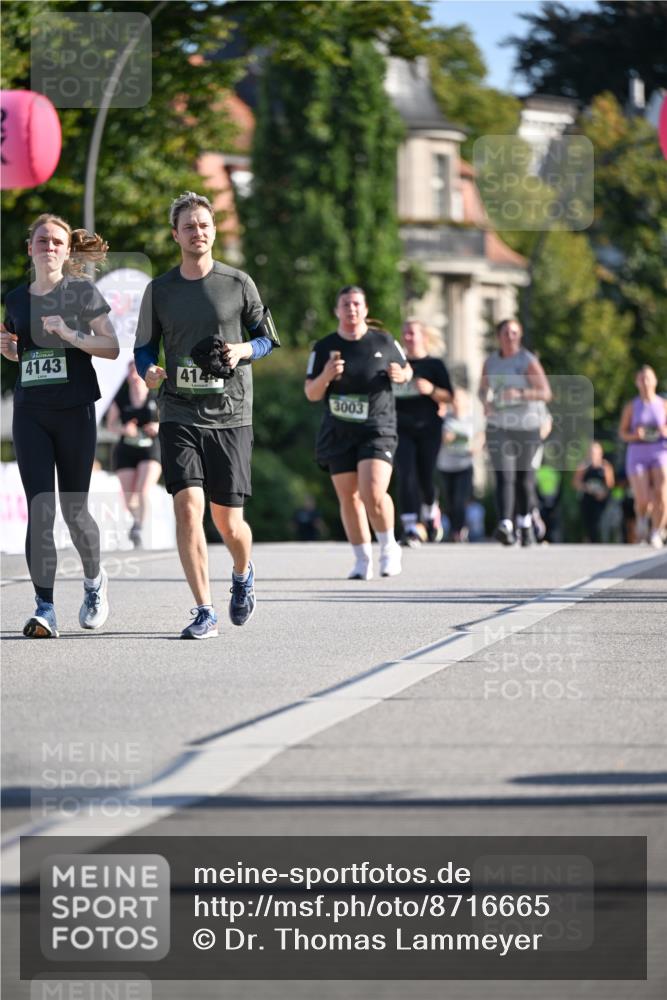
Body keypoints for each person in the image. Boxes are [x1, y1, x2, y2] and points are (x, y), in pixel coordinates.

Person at [133, 191, 279, 638]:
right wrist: (149, 370)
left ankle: (241, 572)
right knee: (187, 508)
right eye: (190, 226)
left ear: (213, 230)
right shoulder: (159, 290)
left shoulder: (238, 283)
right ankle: (203, 610)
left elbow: (268, 339)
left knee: (228, 522)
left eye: (205, 225)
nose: (198, 232)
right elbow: (142, 348)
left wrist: (241, 349)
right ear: (175, 234)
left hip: (231, 413)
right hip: (178, 410)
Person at [0, 213, 119, 637]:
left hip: (74, 410)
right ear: (29, 247)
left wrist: (71, 334)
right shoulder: (15, 300)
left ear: (67, 251)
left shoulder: (81, 293)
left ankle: (94, 582)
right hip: (31, 411)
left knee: (74, 509)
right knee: (40, 507)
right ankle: (44, 607)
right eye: (41, 240)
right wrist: (10, 351)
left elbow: (111, 345)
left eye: (56, 242)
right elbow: (21, 352)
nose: (48, 247)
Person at [304, 285, 411, 580]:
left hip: (377, 427)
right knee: (349, 497)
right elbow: (312, 393)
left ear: (365, 309)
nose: (351, 309)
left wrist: (402, 375)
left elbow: (407, 369)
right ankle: (362, 559)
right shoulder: (323, 347)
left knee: (372, 491)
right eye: (345, 304)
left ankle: (389, 547)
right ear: (337, 311)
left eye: (356, 304)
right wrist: (327, 375)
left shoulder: (384, 340)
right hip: (338, 431)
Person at [479, 318, 552, 547]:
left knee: (524, 479)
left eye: (515, 332)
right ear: (498, 336)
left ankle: (525, 522)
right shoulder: (490, 362)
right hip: (499, 425)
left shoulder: (526, 360)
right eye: (506, 332)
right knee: (504, 475)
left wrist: (519, 394)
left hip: (527, 425)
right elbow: (483, 390)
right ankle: (506, 525)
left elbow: (545, 392)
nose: (510, 336)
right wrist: (486, 403)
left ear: (519, 336)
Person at [393, 319, 452, 545]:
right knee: (406, 474)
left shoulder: (434, 364)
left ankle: (430, 510)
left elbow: (449, 396)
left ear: (423, 337)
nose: (408, 337)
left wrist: (431, 390)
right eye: (405, 333)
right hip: (400, 428)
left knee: (426, 477)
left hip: (428, 428)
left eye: (412, 333)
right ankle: (410, 528)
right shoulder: (396, 364)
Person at [105, 359, 162, 547]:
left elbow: (168, 420)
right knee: (130, 496)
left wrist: (157, 426)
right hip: (126, 449)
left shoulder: (155, 397)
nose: (134, 376)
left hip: (150, 449)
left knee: (142, 490)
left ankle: (139, 527)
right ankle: (136, 521)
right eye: (131, 373)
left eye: (137, 372)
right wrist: (123, 429)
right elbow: (111, 425)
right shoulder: (120, 398)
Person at [619, 365, 667, 549]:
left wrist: (664, 430)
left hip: (660, 450)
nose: (645, 382)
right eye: (641, 379)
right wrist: (635, 434)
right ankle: (642, 517)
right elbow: (622, 433)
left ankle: (656, 531)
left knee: (662, 494)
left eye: (648, 378)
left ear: (655, 381)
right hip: (638, 451)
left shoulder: (663, 404)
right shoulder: (632, 406)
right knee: (643, 499)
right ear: (637, 383)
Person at [437, 387, 483, 542]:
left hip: (464, 466)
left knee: (460, 500)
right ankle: (452, 529)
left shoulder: (472, 419)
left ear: (465, 402)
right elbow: (440, 437)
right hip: (446, 466)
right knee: (449, 501)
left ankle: (459, 530)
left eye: (458, 399)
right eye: (453, 399)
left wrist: (476, 446)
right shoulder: (445, 418)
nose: (455, 403)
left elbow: (480, 436)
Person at [573, 442, 615, 543]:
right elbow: (576, 482)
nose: (593, 455)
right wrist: (587, 488)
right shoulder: (583, 466)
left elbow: (610, 484)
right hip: (587, 500)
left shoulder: (605, 466)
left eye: (595, 453)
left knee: (601, 523)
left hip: (601, 501)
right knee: (588, 524)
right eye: (591, 453)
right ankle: (589, 541)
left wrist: (603, 492)